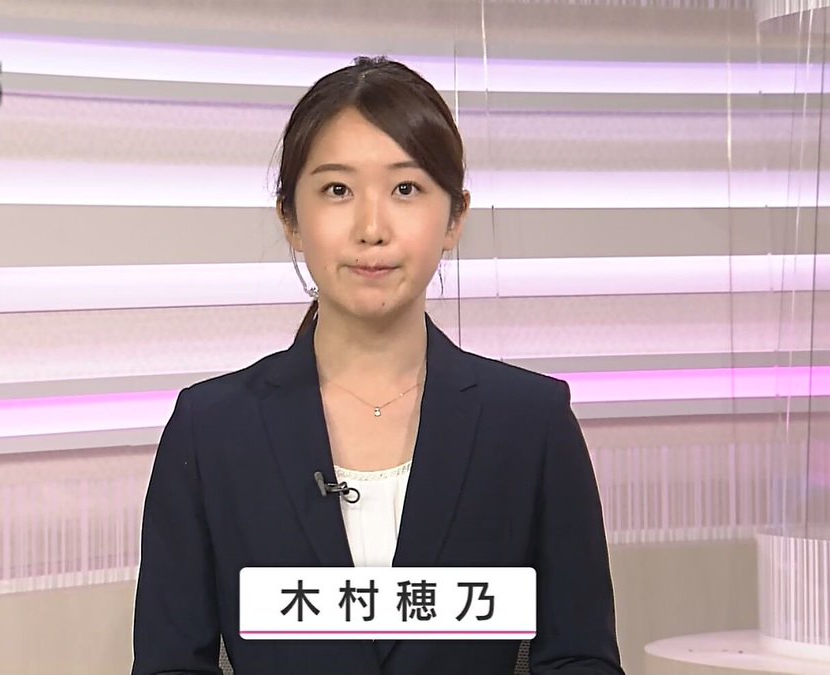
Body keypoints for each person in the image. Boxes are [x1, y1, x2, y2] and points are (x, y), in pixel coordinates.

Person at [132, 55, 624, 675]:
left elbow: (580, 657)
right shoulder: (211, 430)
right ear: (291, 218)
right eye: (337, 190)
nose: (372, 228)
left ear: (455, 217)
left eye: (406, 189)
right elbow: (171, 663)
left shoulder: (531, 423)